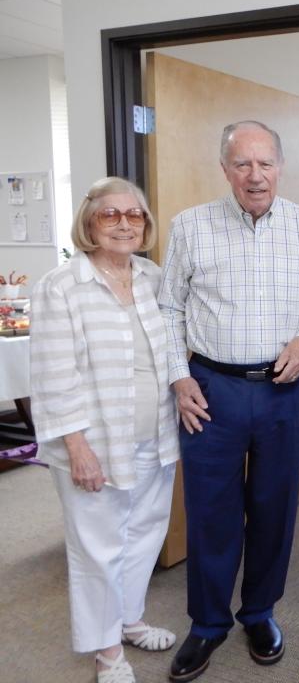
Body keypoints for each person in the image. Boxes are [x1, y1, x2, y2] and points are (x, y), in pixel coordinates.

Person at [159, 120, 299, 682]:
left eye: (265, 163)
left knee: (276, 507)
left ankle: (259, 612)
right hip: (210, 389)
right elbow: (169, 310)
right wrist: (180, 380)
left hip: (285, 387)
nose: (256, 176)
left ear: (281, 165)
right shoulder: (190, 227)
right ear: (225, 169)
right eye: (242, 164)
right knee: (211, 511)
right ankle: (206, 623)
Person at [30, 177, 179, 683]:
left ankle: (129, 619)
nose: (123, 224)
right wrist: (77, 448)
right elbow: (53, 374)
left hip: (155, 434)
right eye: (109, 215)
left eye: (133, 215)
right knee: (98, 546)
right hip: (93, 442)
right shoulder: (61, 285)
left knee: (143, 534)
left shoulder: (152, 277)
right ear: (89, 222)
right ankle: (107, 652)